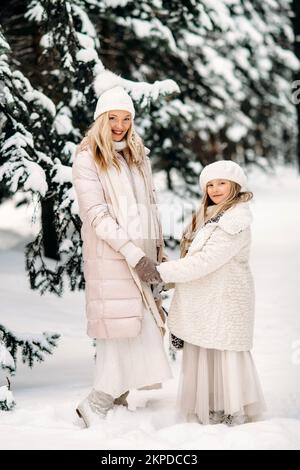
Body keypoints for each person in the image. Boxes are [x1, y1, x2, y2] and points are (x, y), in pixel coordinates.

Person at [72, 84, 172, 427]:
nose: (120, 125)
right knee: (120, 332)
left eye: (126, 118)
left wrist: (157, 252)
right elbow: (97, 215)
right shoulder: (87, 158)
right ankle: (96, 405)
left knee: (140, 328)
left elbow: (151, 207)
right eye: (113, 118)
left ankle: (116, 402)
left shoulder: (136, 155)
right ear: (101, 119)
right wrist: (133, 255)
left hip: (141, 256)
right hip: (112, 259)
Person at [156, 160, 266, 425]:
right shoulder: (210, 215)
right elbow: (195, 256)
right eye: (210, 184)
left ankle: (232, 407)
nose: (215, 189)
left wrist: (161, 272)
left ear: (235, 186)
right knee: (207, 352)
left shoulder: (234, 221)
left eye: (222, 183)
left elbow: (206, 261)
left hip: (224, 298)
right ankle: (214, 404)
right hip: (206, 298)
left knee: (224, 353)